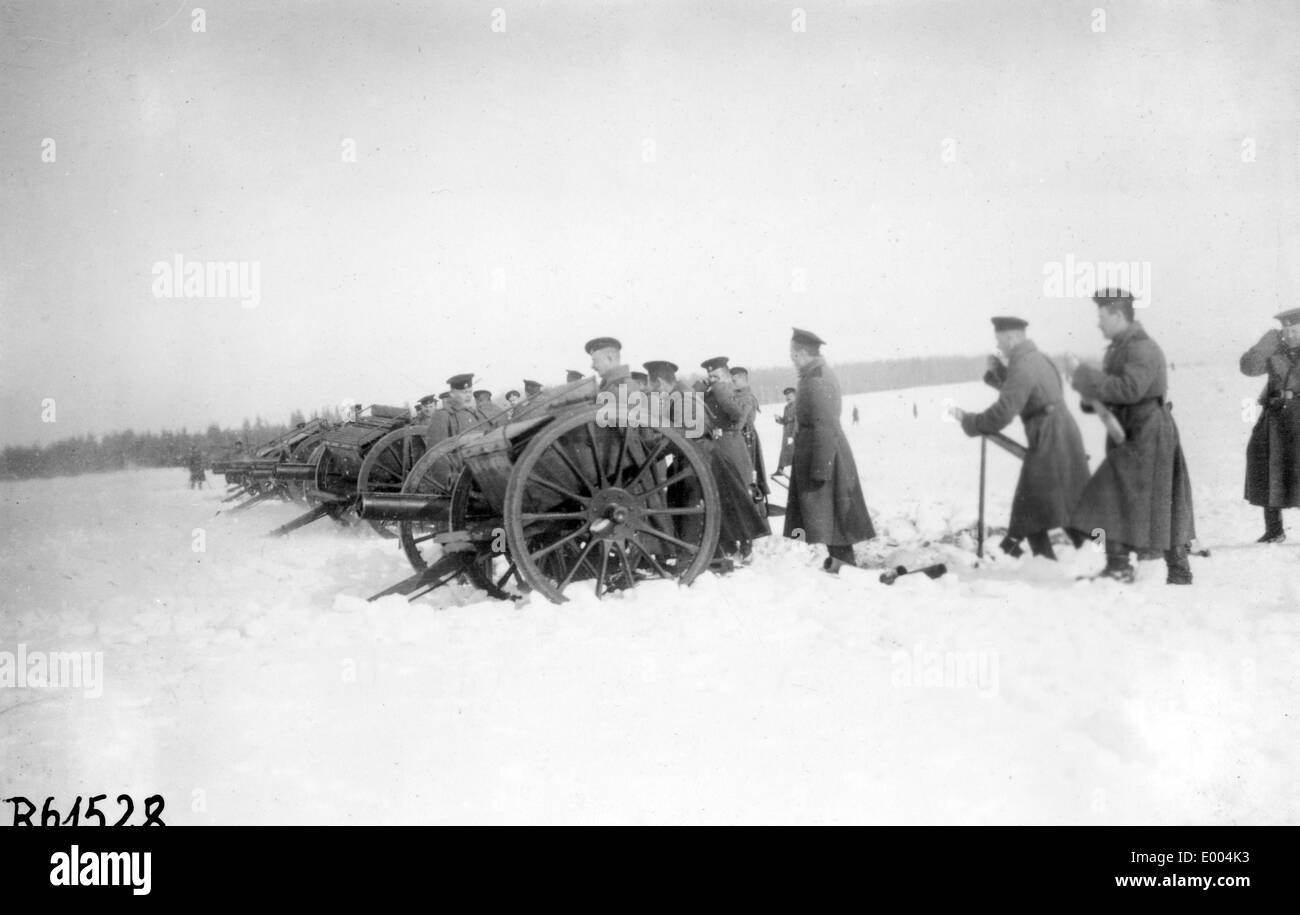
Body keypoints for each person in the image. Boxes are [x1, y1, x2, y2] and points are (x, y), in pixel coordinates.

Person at [1065, 289, 1196, 584]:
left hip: (1148, 431)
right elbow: (1114, 390)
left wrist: (1087, 378)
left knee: (1114, 490)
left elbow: (1129, 389)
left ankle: (1128, 565)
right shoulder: (1120, 348)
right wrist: (1090, 395)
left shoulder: (1142, 348)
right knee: (1139, 497)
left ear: (1118, 315)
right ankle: (1137, 565)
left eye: (1102, 317)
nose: (1098, 324)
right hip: (1133, 429)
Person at [951, 317, 1091, 559]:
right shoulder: (1037, 359)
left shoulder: (1022, 365)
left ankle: (1042, 561)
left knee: (1030, 507)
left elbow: (1003, 412)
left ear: (1010, 337)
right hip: (1063, 435)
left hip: (1049, 440)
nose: (999, 346)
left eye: (999, 340)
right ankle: (1086, 555)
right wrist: (1000, 373)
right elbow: (1029, 393)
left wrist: (971, 421)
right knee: (1066, 504)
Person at [784, 327, 875, 570]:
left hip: (824, 456)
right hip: (821, 453)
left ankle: (845, 567)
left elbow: (824, 426)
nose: (792, 359)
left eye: (793, 354)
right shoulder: (813, 376)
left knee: (832, 519)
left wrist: (820, 469)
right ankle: (841, 566)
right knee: (829, 518)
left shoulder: (817, 380)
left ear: (801, 353)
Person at [702, 356, 770, 562]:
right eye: (709, 376)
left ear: (725, 375)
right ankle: (730, 543)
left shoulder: (732, 392)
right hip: (718, 448)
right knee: (724, 497)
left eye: (715, 375)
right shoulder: (713, 391)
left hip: (732, 447)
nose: (711, 379)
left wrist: (720, 388)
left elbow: (738, 415)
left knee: (742, 494)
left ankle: (747, 543)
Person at [1240, 306, 1300, 542]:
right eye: (1285, 330)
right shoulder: (1275, 350)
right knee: (1268, 465)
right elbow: (1248, 368)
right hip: (1275, 417)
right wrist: (1264, 346)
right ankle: (1274, 530)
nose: (1289, 334)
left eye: (1294, 330)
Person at [729, 365, 770, 507]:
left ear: (742, 379)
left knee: (749, 473)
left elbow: (742, 420)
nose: (732, 384)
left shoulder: (746, 397)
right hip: (743, 437)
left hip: (746, 438)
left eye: (734, 380)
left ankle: (756, 507)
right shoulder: (737, 395)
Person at [425, 374, 488, 446]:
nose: (469, 395)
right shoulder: (442, 416)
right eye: (464, 392)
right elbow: (435, 452)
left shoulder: (474, 413)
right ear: (452, 394)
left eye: (470, 392)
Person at [774, 386, 797, 475]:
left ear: (795, 396)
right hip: (786, 431)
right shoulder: (786, 407)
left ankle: (785, 469)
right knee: (784, 450)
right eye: (786, 396)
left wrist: (793, 435)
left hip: (793, 432)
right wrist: (778, 419)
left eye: (790, 395)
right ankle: (780, 469)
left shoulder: (797, 406)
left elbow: (797, 421)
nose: (787, 397)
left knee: (793, 451)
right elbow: (785, 421)